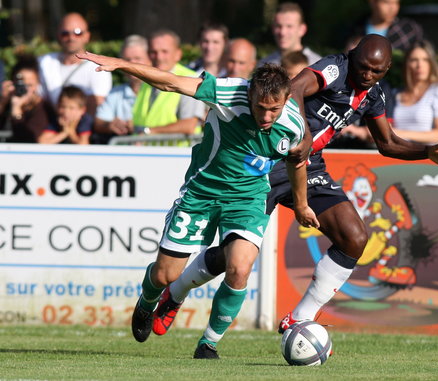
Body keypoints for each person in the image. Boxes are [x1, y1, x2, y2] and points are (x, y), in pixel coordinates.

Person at [153, 34, 438, 339]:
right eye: (363, 66)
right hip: (269, 159)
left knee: (354, 238)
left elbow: (388, 143)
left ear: (386, 70)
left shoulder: (373, 95)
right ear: (353, 56)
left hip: (308, 166)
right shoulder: (335, 68)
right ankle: (176, 292)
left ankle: (298, 318)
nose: (368, 74)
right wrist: (301, 135)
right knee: (233, 258)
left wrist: (426, 152)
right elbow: (296, 89)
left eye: (377, 71)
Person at [77, 51, 319, 358]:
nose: (267, 116)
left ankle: (208, 343)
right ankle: (148, 301)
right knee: (165, 275)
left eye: (275, 109)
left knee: (239, 269)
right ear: (251, 95)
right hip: (201, 192)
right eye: (261, 108)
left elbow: (297, 164)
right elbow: (171, 83)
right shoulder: (230, 92)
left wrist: (301, 205)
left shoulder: (293, 125)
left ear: (285, 101)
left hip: (247, 198)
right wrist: (122, 64)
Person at [132, 29, 205, 138]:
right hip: (147, 153)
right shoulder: (146, 80)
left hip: (179, 153)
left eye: (165, 51)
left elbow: (189, 125)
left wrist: (148, 132)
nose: (159, 57)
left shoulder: (190, 79)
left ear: (178, 54)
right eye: (153, 52)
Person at [38, 12, 112, 115]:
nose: (71, 37)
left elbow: (98, 103)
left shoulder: (98, 66)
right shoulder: (44, 62)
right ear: (58, 36)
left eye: (78, 32)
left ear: (87, 36)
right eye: (65, 33)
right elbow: (37, 98)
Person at [92, 35, 151, 144]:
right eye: (127, 60)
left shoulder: (161, 90)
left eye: (137, 58)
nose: (131, 64)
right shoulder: (115, 93)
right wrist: (110, 125)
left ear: (150, 60)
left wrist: (143, 130)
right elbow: (98, 123)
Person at [390, 40, 438, 144]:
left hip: (427, 156)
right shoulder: (395, 93)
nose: (420, 65)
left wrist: (399, 134)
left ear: (431, 63)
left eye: (425, 60)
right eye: (414, 60)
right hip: (399, 154)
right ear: (407, 64)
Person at [0, 55, 54, 143]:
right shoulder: (7, 102)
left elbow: (27, 140)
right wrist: (2, 102)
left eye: (30, 85)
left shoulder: (42, 108)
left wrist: (16, 110)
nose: (25, 89)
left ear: (38, 84)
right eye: (21, 84)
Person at [258, 2, 321, 67]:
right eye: (278, 26)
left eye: (289, 26)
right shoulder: (264, 64)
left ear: (302, 29)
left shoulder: (317, 66)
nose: (283, 32)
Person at [354, 0, 423, 52]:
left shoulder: (409, 30)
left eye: (396, 3)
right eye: (386, 2)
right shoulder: (356, 29)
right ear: (372, 2)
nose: (392, 8)